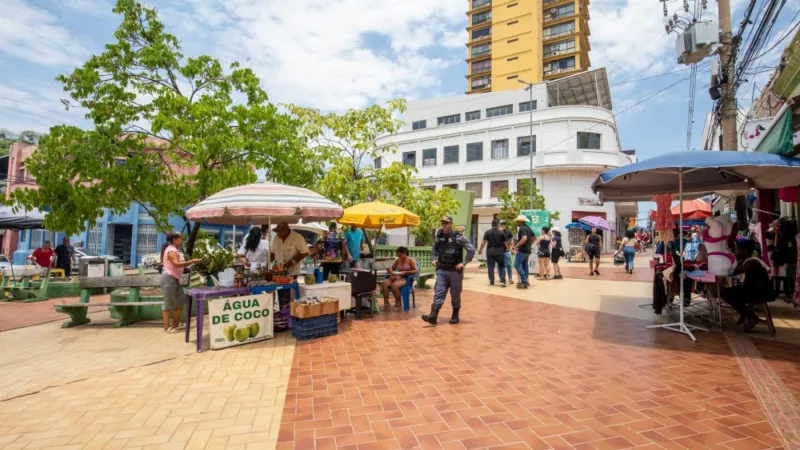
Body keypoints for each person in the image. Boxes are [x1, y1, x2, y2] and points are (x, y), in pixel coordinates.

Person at [422, 216, 475, 325]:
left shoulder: (459, 237)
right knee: (439, 292)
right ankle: (433, 316)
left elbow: (471, 250)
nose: (444, 225)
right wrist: (433, 259)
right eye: (443, 223)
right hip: (442, 270)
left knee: (455, 295)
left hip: (455, 271)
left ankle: (455, 315)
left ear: (451, 224)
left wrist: (464, 263)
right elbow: (434, 249)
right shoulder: (439, 236)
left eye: (446, 223)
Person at [720, 239, 776, 331]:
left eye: (738, 249)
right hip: (754, 289)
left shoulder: (752, 262)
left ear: (745, 250)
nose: (737, 251)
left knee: (727, 294)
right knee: (727, 292)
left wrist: (724, 268)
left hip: (760, 291)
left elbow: (736, 271)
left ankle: (751, 317)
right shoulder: (747, 260)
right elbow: (734, 266)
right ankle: (747, 315)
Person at [161, 232, 201, 333]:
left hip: (175, 278)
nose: (182, 241)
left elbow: (179, 265)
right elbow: (176, 264)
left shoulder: (175, 250)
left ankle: (176, 323)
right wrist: (192, 261)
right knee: (168, 303)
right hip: (169, 278)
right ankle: (167, 327)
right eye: (181, 239)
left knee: (180, 300)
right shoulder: (171, 250)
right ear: (174, 240)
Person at [478, 219, 508, 287]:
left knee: (490, 267)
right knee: (501, 266)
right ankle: (503, 281)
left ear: (491, 225)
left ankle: (492, 281)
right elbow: (505, 242)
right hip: (500, 252)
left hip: (490, 252)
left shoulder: (487, 232)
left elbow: (483, 242)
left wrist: (480, 250)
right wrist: (508, 248)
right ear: (498, 225)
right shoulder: (501, 233)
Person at [513, 215, 534, 289]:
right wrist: (529, 244)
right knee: (525, 265)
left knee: (516, 264)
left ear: (521, 221)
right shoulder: (528, 228)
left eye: (517, 221)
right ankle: (525, 281)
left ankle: (524, 281)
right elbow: (534, 237)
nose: (517, 222)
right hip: (528, 250)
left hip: (522, 250)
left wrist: (516, 246)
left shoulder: (522, 228)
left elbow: (524, 238)